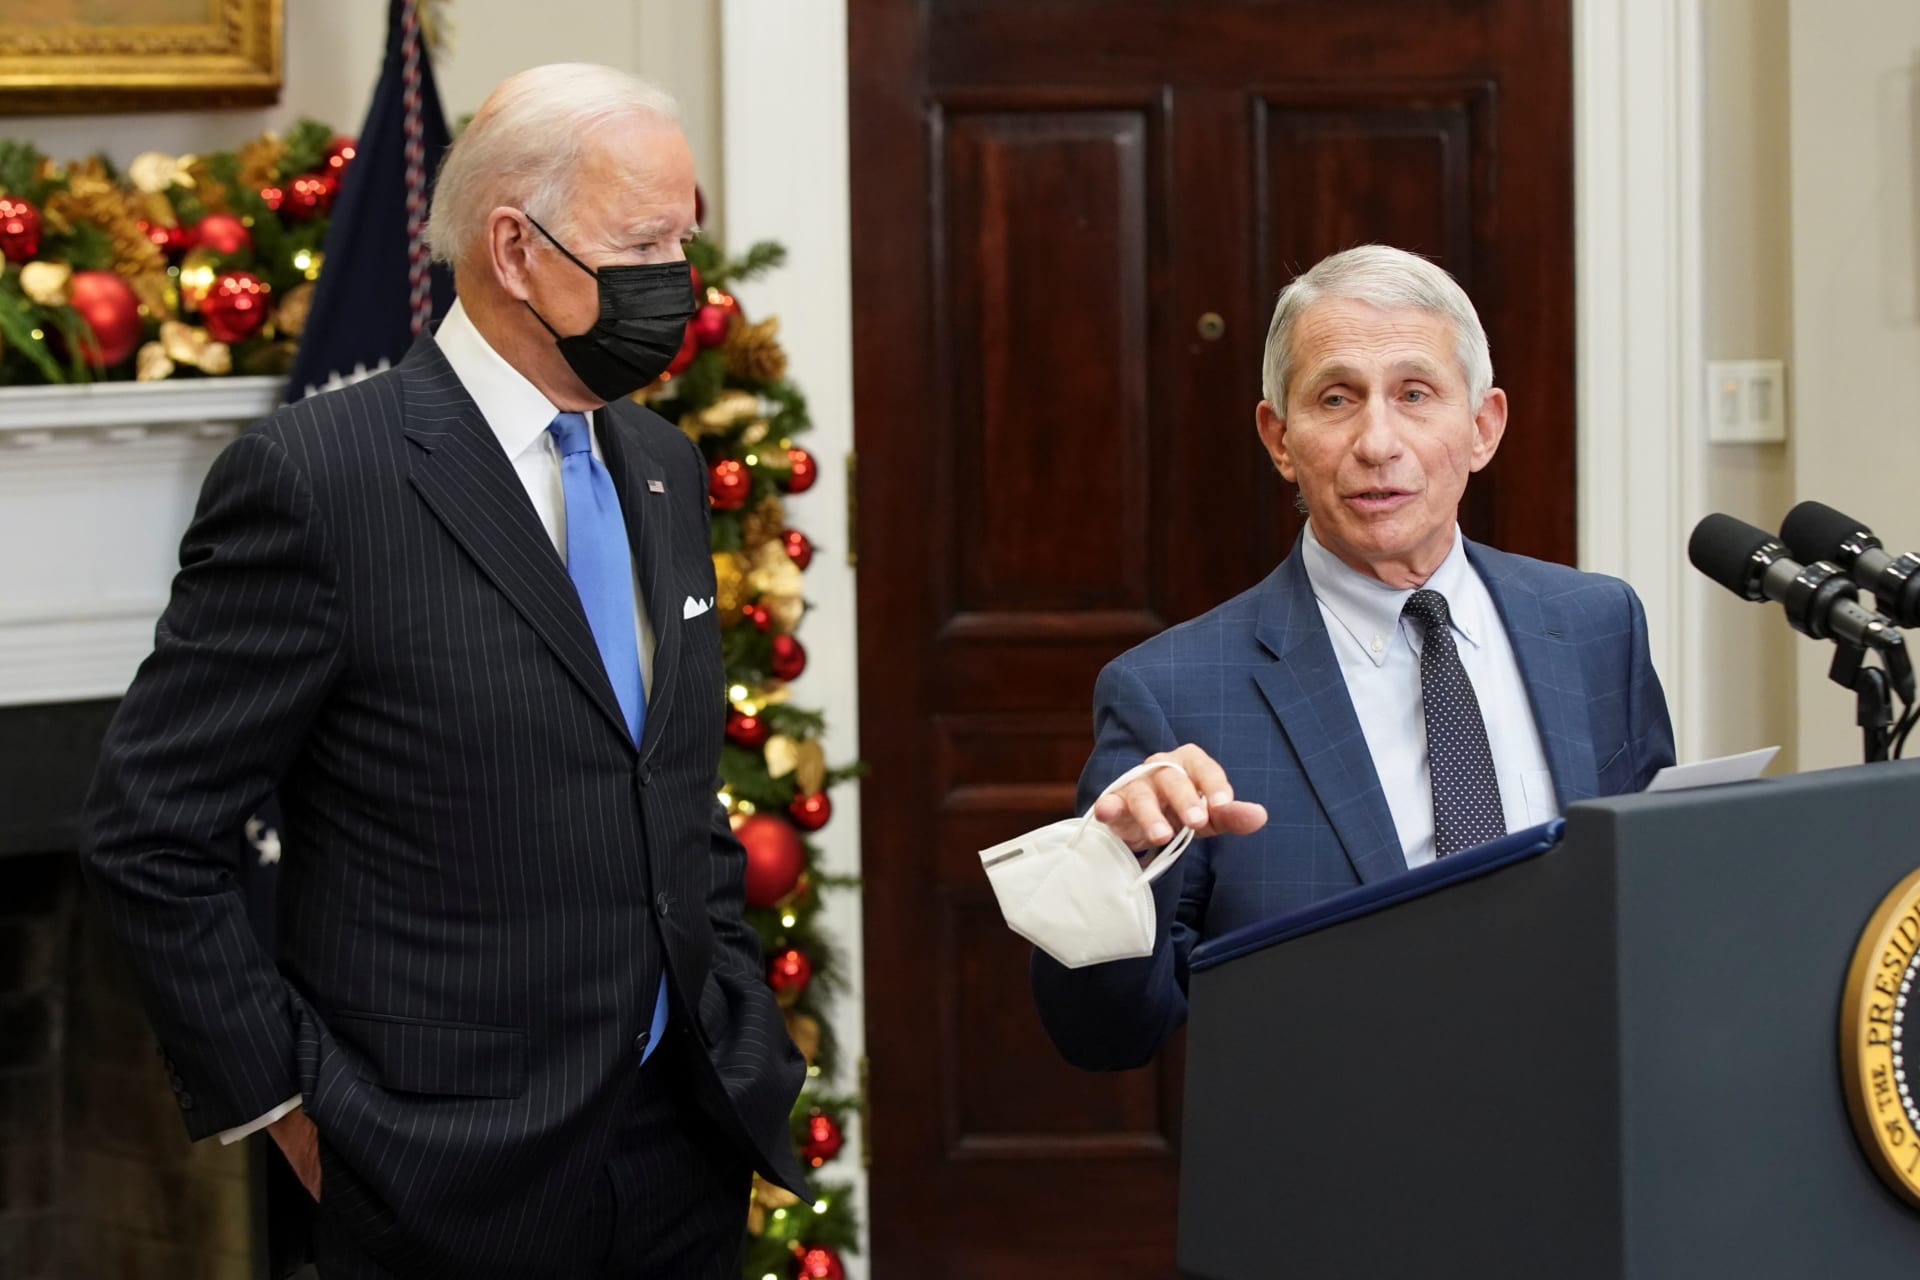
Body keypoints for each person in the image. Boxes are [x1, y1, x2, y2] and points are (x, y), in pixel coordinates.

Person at [80, 64, 806, 1278]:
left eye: (687, 236)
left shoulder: (667, 467)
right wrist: (295, 1112)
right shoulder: (320, 479)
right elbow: (149, 831)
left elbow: (668, 792)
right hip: (438, 1176)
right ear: (515, 250)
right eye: (642, 241)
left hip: (681, 1145)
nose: (680, 280)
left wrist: (732, 1014)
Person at [1030, 245, 1675, 1070]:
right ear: (1280, 437)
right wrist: (1115, 868)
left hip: (1585, 1134)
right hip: (1333, 1168)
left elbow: (1655, 901)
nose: (1378, 441)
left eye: (1415, 394)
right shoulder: (1172, 694)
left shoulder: (1596, 625)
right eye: (1337, 398)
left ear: (1483, 427)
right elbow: (1103, 1036)